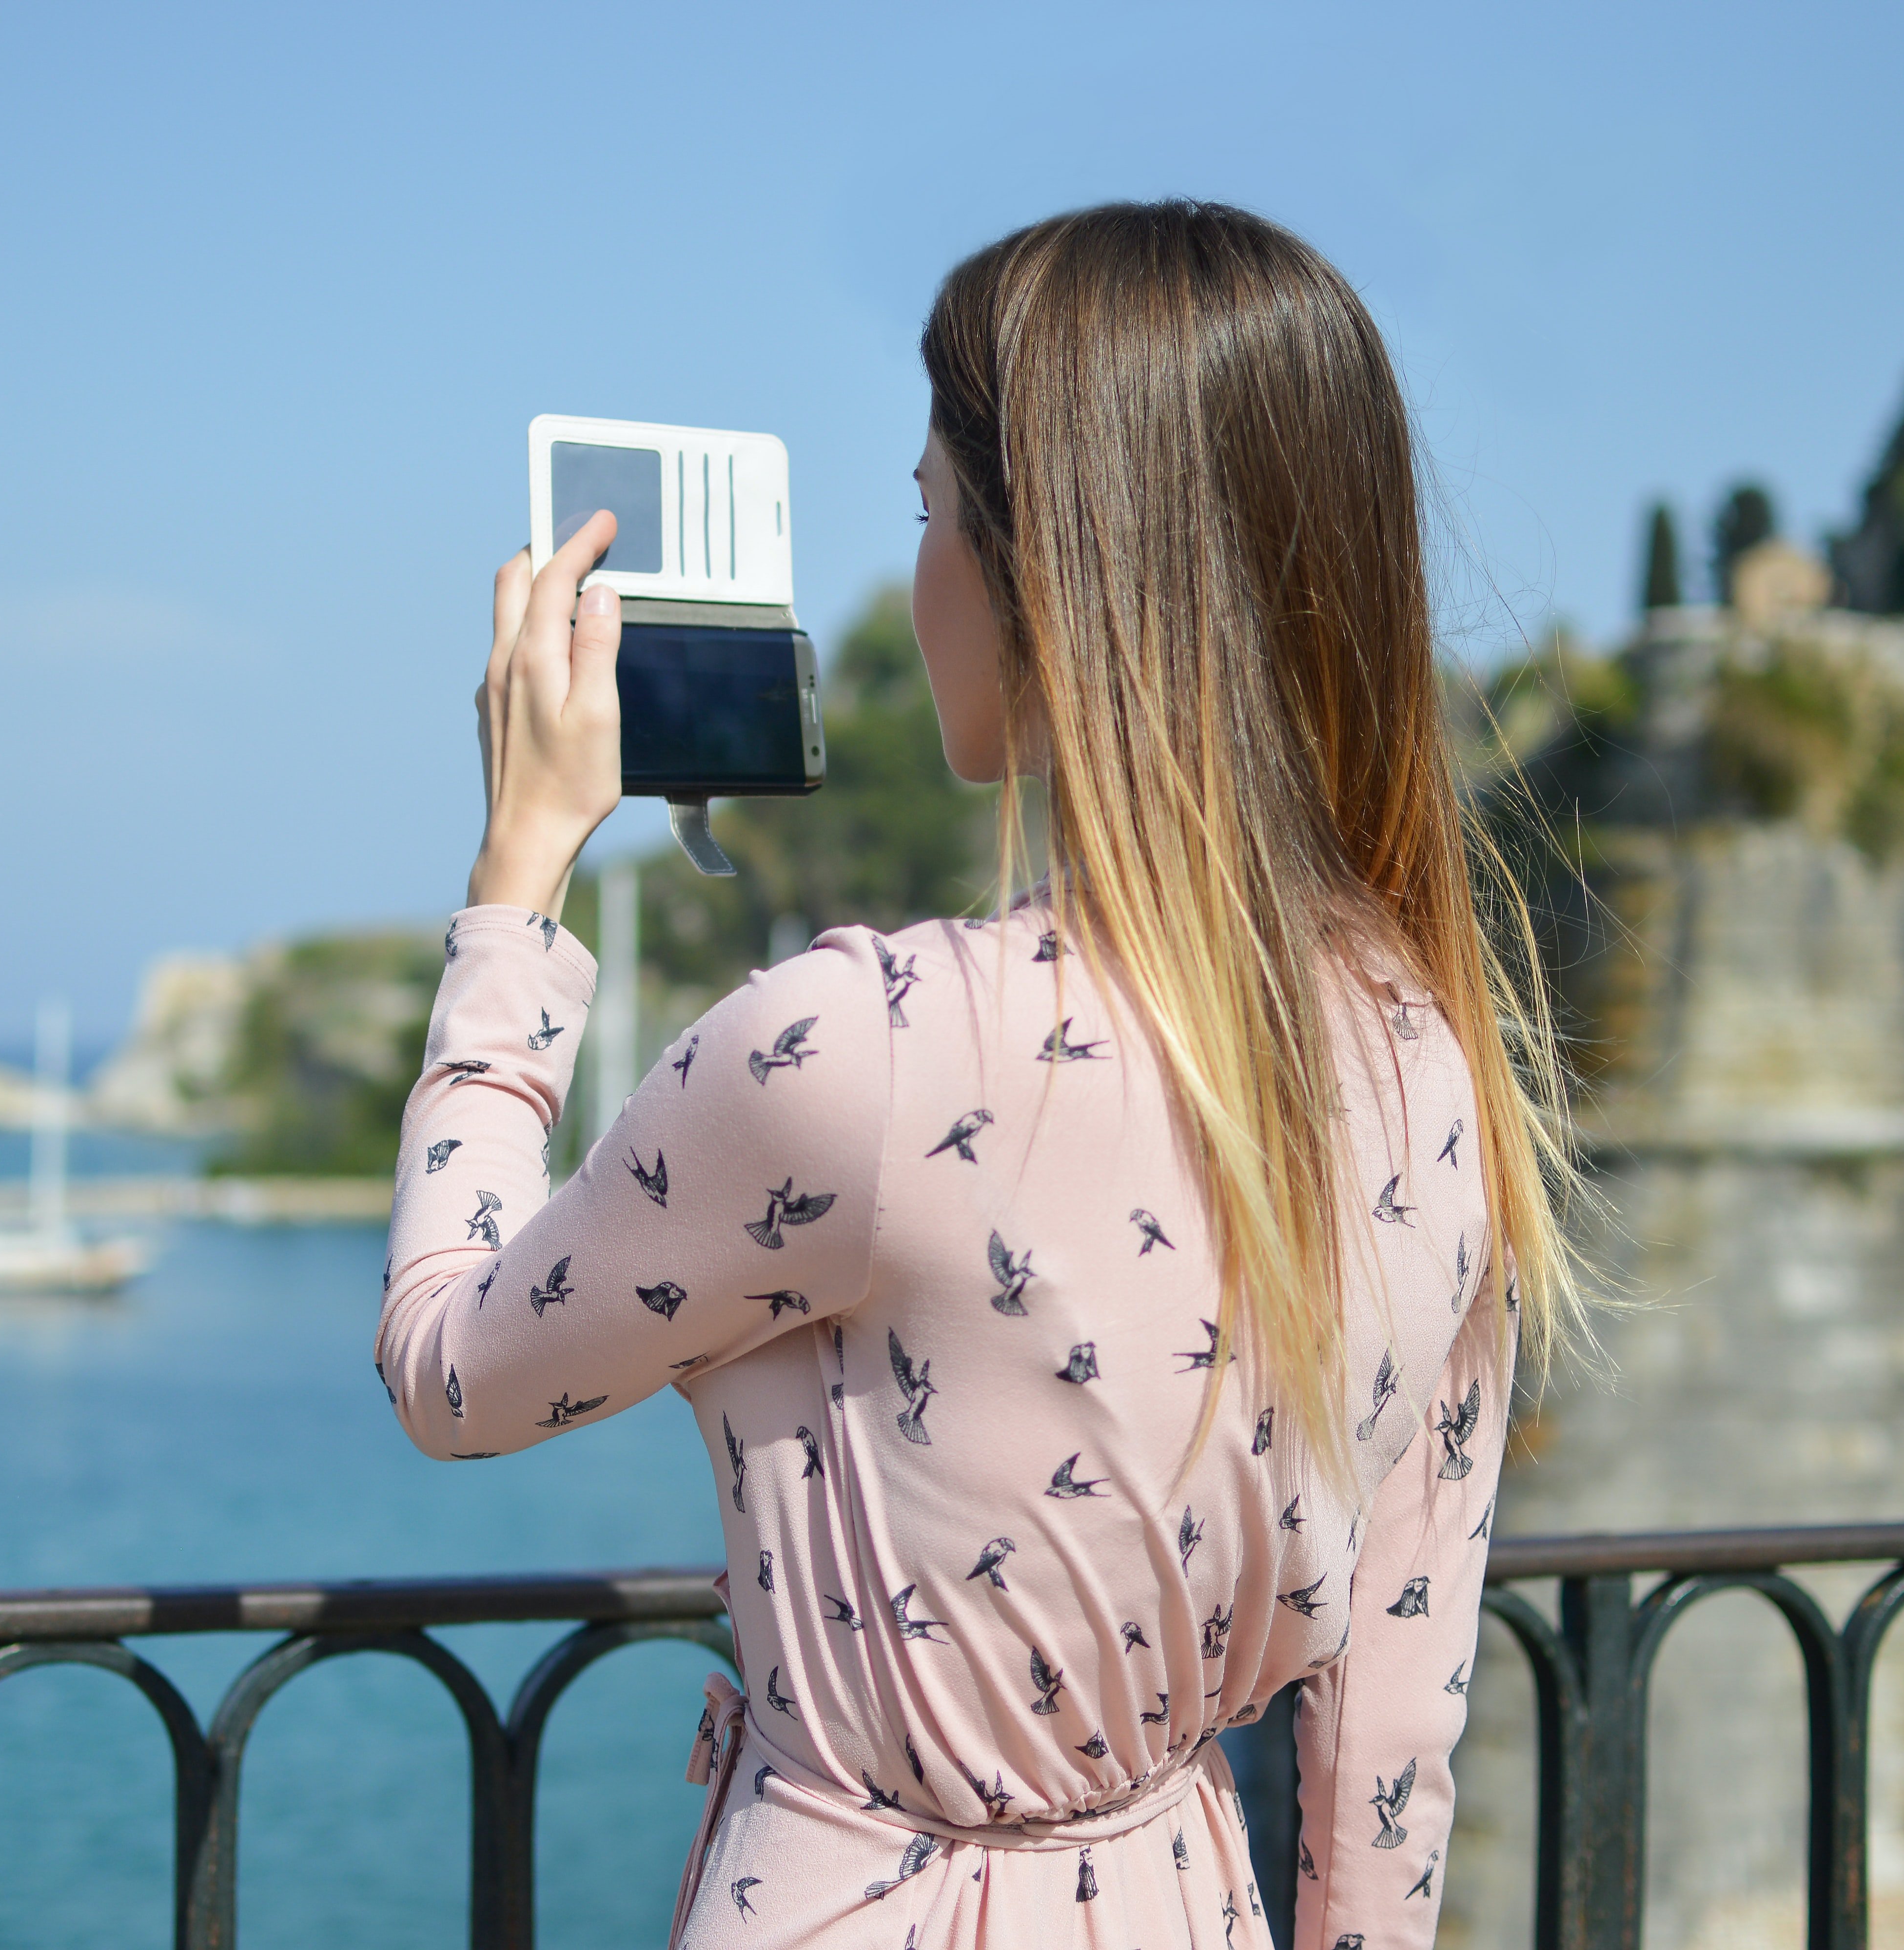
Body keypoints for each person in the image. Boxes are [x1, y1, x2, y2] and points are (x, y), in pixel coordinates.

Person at [376, 200, 1580, 1950]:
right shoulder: (1433, 1063)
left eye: (932, 513)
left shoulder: (855, 1052)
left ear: (1052, 580)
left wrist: (518, 885)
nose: (918, 573)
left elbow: (451, 1371)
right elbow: (1390, 1745)